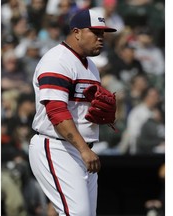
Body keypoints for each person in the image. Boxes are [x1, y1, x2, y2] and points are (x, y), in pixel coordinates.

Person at [28, 8, 117, 216]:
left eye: (103, 33)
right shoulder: (58, 60)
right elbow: (56, 111)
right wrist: (84, 150)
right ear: (76, 32)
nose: (101, 38)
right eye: (95, 32)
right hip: (58, 147)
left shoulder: (91, 66)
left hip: (79, 148)